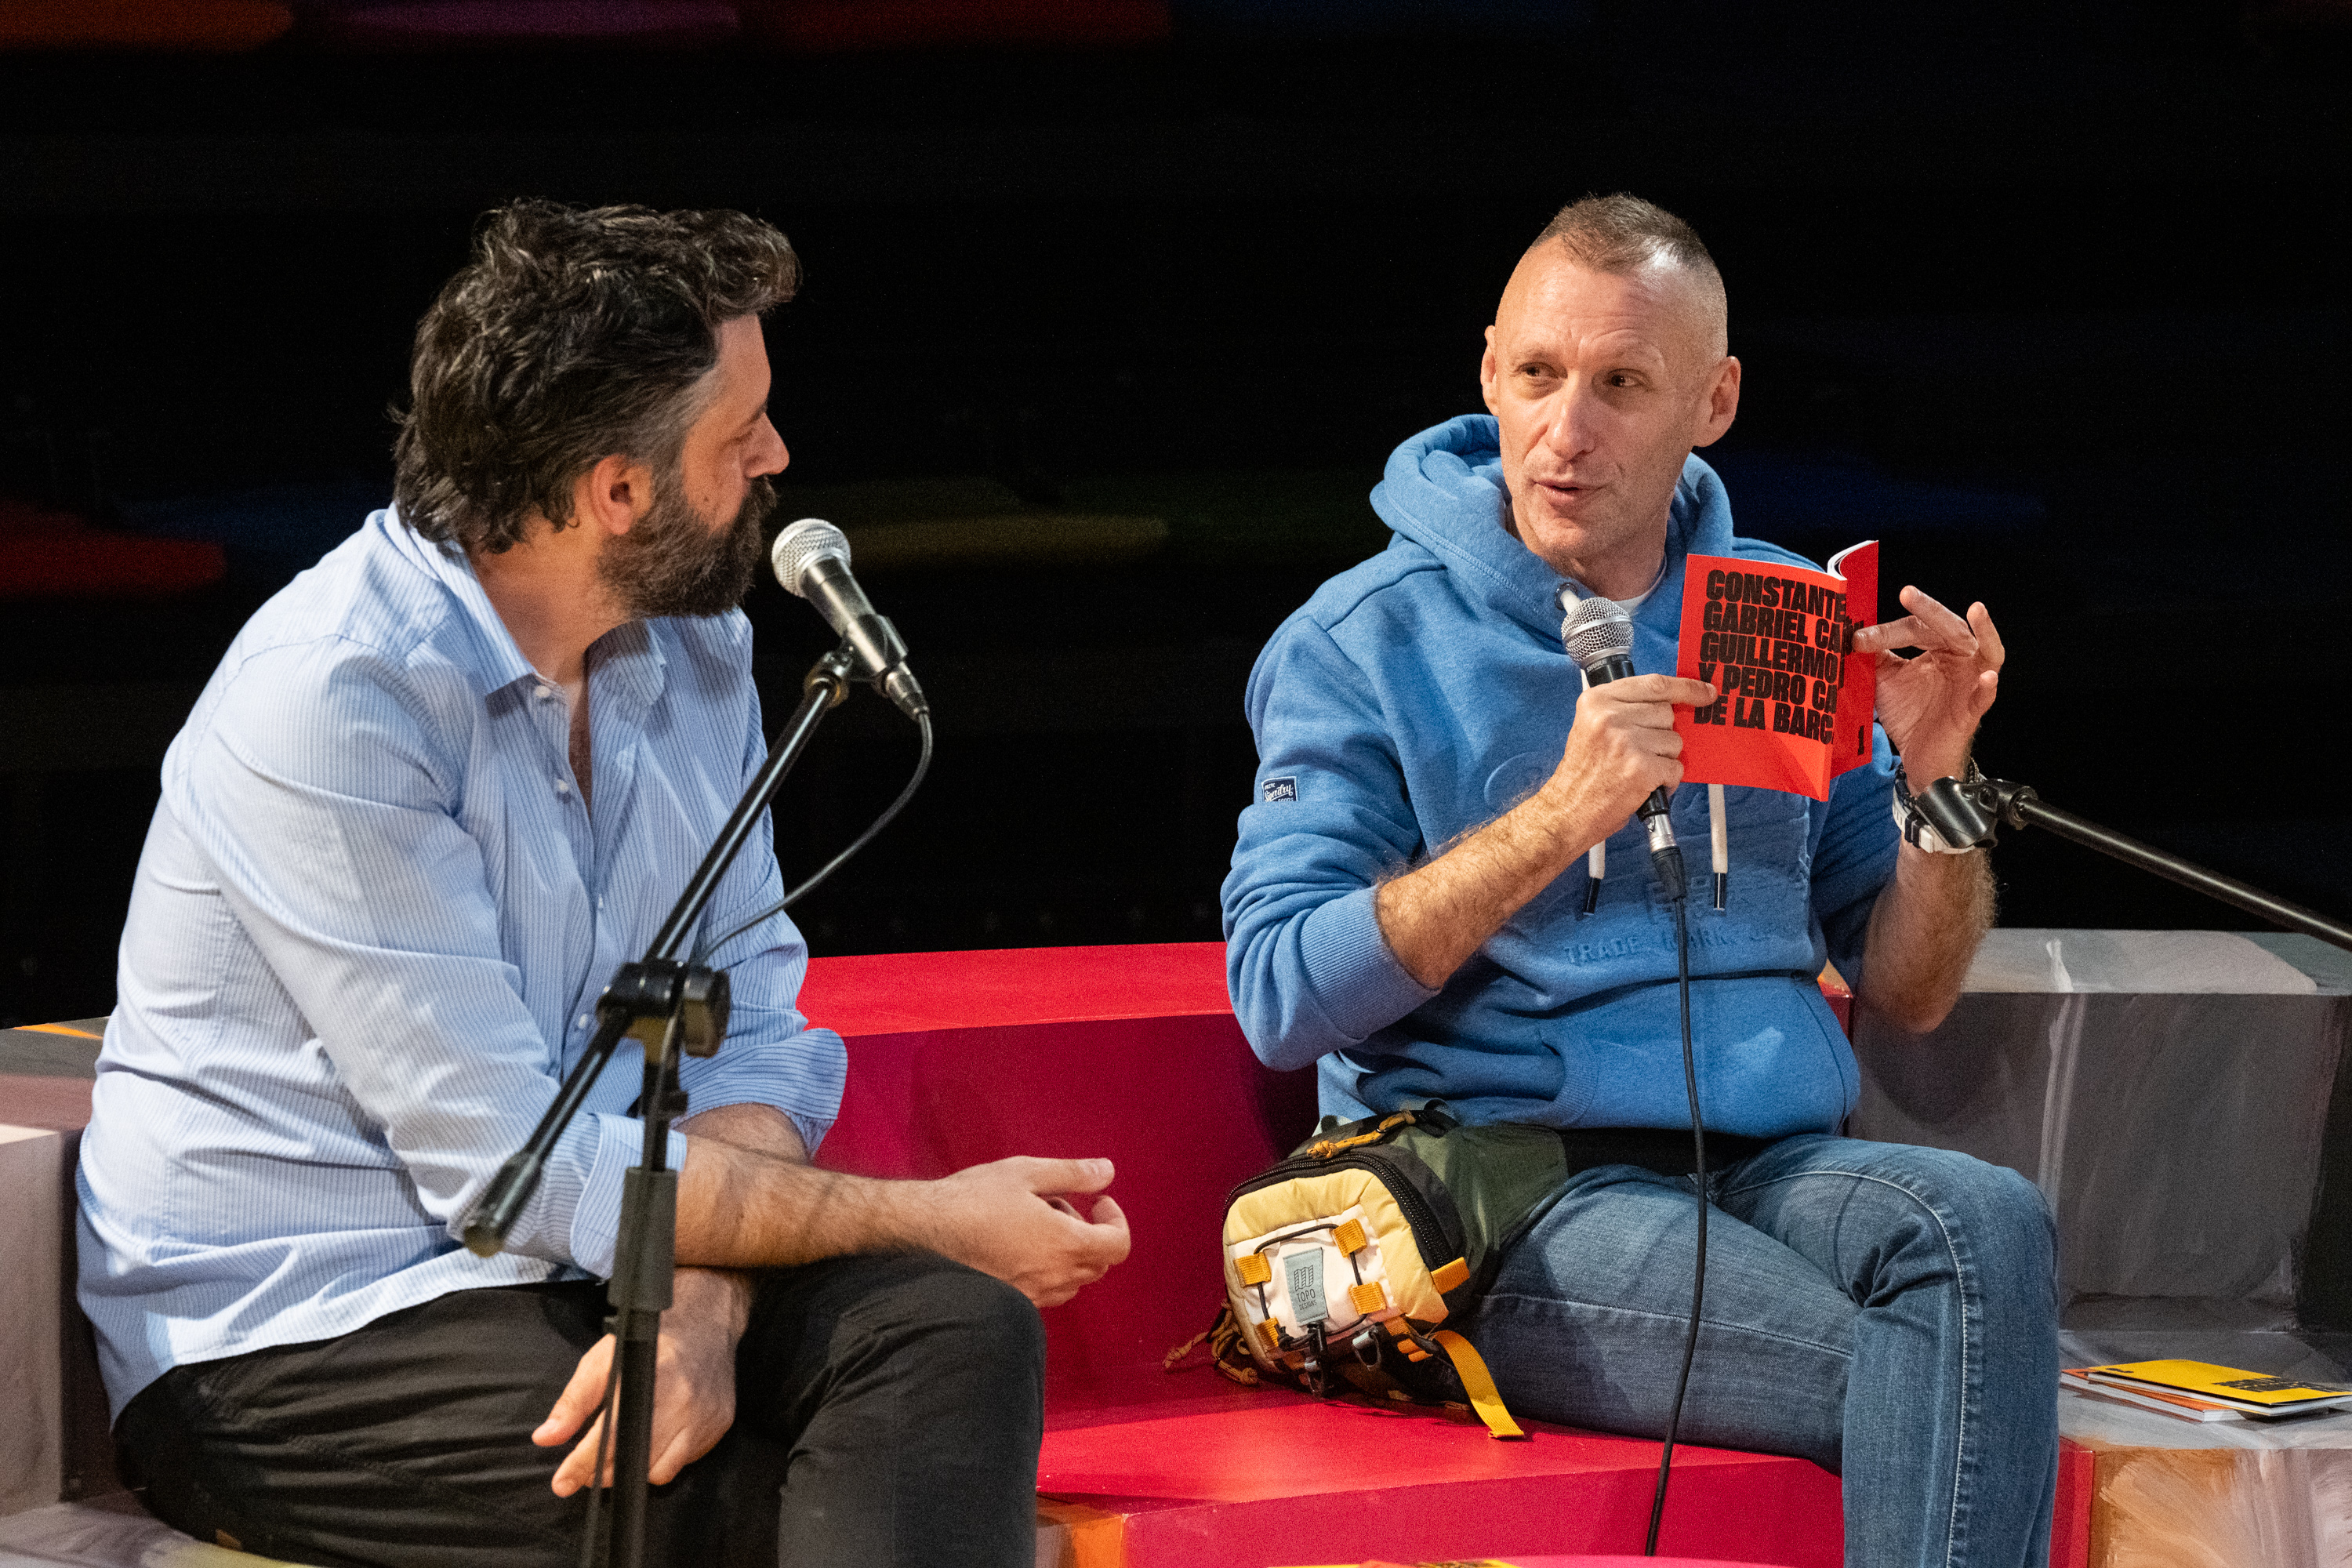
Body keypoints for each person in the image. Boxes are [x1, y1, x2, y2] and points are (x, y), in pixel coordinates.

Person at [77, 200, 1131, 1568]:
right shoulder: (339, 701)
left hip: (573, 1264)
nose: (777, 455)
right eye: (736, 430)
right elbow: (517, 1171)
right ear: (616, 492)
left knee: (950, 1324)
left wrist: (695, 1310)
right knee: (718, 1508)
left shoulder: (691, 652)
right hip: (295, 1342)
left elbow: (745, 1039)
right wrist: (931, 1211)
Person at [1221, 194, 2057, 1567]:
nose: (1567, 428)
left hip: (1772, 1165)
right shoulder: (1360, 642)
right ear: (1489, 370)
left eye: (1622, 384)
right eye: (1539, 375)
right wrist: (1559, 815)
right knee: (1946, 1389)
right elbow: (1278, 994)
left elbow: (1907, 988)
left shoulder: (1777, 611)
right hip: (1510, 1188)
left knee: (1986, 1221)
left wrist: (1936, 784)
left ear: (1713, 402)